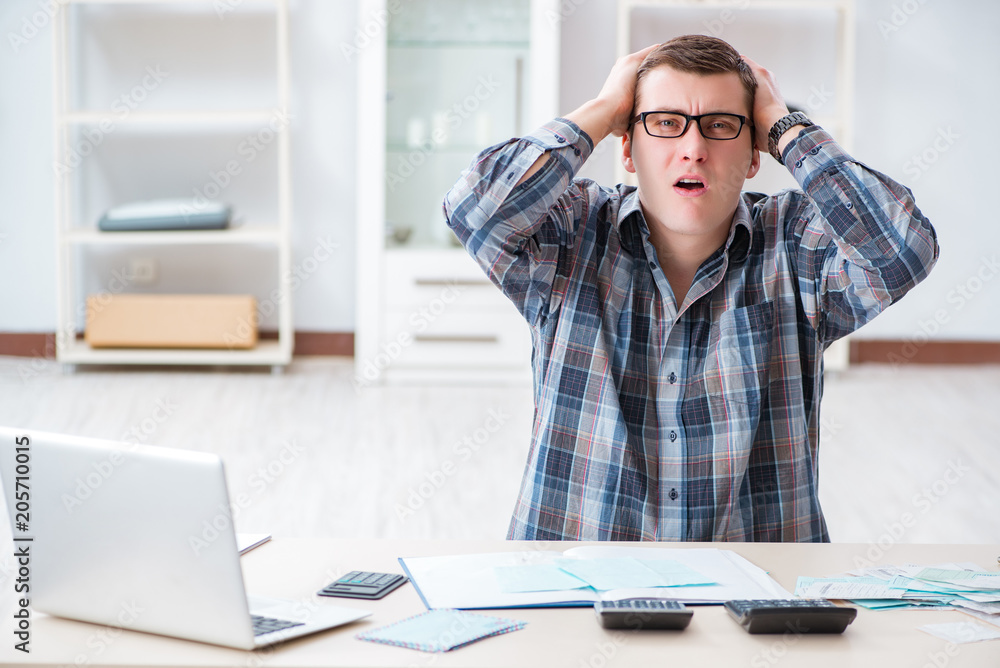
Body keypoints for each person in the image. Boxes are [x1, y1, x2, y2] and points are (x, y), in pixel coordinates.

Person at [443, 35, 939, 542]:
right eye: (665, 123)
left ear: (754, 155)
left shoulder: (797, 246)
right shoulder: (572, 231)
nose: (694, 149)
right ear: (627, 149)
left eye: (721, 126)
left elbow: (904, 250)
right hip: (574, 577)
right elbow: (474, 210)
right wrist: (603, 108)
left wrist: (784, 123)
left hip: (759, 581)